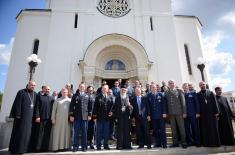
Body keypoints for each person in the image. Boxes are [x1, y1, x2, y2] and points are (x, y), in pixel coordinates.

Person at [9, 81, 37, 154]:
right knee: (20, 132)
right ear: (28, 85)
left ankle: (26, 149)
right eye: (32, 85)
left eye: (34, 85)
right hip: (21, 117)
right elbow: (17, 103)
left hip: (30, 118)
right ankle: (17, 149)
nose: (33, 86)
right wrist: (18, 114)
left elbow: (36, 107)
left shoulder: (35, 94)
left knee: (28, 134)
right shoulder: (21, 92)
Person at [69, 83, 92, 152]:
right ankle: (75, 146)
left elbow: (90, 106)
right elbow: (71, 106)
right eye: (81, 87)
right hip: (77, 117)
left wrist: (89, 115)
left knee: (84, 132)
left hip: (85, 117)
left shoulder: (87, 95)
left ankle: (84, 146)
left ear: (85, 88)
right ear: (79, 87)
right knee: (76, 132)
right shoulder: (75, 95)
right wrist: (71, 115)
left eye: (83, 87)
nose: (82, 88)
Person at [165, 80, 187, 148]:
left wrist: (184, 112)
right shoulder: (166, 92)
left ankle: (184, 142)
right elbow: (166, 103)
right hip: (171, 114)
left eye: (172, 83)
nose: (171, 84)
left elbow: (183, 102)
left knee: (181, 128)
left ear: (175, 84)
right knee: (173, 129)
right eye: (170, 83)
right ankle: (175, 143)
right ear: (168, 84)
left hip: (179, 113)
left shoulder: (179, 91)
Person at [197, 81, 220, 147]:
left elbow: (215, 102)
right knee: (205, 129)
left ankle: (215, 143)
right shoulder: (198, 94)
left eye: (203, 84)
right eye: (201, 85)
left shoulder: (211, 92)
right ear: (199, 86)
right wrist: (198, 113)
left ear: (205, 85)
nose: (202, 85)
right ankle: (207, 144)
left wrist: (216, 112)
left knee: (213, 128)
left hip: (212, 114)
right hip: (203, 115)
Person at [34, 85, 54, 152]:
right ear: (43, 89)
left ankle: (45, 148)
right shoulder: (39, 96)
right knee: (39, 134)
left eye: (48, 89)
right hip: (41, 118)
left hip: (48, 119)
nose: (47, 90)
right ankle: (38, 148)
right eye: (46, 89)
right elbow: (37, 107)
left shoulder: (51, 98)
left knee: (46, 134)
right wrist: (37, 116)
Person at [93, 85, 113, 150]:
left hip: (107, 118)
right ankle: (98, 146)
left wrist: (112, 112)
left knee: (106, 133)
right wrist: (95, 117)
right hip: (99, 118)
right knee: (99, 133)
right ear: (101, 89)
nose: (104, 90)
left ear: (107, 90)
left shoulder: (110, 97)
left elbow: (112, 107)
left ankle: (106, 145)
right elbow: (95, 107)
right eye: (103, 88)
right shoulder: (98, 97)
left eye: (105, 89)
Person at [113, 85, 133, 150]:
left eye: (124, 90)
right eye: (122, 90)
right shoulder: (117, 98)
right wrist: (115, 117)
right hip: (120, 117)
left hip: (127, 117)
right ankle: (120, 146)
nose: (123, 91)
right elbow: (115, 108)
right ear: (120, 91)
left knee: (127, 131)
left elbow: (132, 108)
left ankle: (127, 146)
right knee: (120, 132)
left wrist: (129, 106)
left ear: (126, 91)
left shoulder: (129, 97)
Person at [147, 83, 167, 148]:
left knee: (162, 130)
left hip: (161, 116)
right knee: (155, 131)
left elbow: (164, 104)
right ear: (150, 88)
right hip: (153, 117)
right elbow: (148, 107)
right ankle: (158, 143)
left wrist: (164, 112)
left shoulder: (160, 94)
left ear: (156, 87)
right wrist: (149, 115)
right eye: (152, 87)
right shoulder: (148, 95)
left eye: (154, 87)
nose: (153, 88)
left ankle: (164, 144)